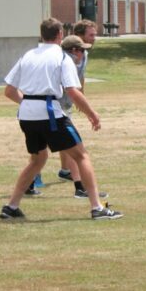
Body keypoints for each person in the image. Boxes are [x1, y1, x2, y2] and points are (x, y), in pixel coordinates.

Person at [1, 18, 122, 220]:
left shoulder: (28, 55)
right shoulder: (62, 57)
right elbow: (73, 92)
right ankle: (97, 208)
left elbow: (9, 91)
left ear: (42, 35)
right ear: (59, 35)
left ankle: (11, 207)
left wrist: (28, 104)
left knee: (37, 160)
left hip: (26, 115)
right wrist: (92, 113)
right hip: (50, 113)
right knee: (81, 156)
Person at [55, 20, 98, 185]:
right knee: (71, 142)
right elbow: (68, 86)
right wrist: (89, 111)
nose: (94, 38)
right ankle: (80, 186)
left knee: (65, 139)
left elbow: (80, 77)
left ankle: (66, 171)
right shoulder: (62, 58)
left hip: (66, 103)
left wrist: (82, 97)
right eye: (91, 35)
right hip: (55, 104)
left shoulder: (83, 54)